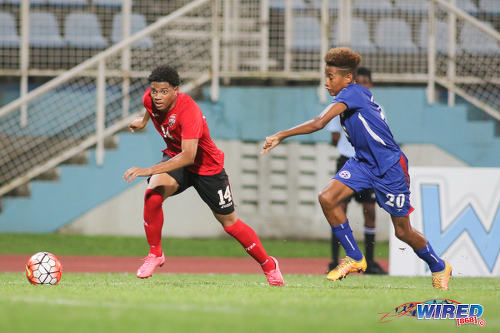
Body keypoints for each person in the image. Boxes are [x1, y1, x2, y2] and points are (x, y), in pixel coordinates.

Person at [261, 47, 452, 290]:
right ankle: (354, 256)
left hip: (389, 167)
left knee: (403, 232)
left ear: (347, 78)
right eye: (326, 76)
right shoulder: (352, 95)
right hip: (362, 162)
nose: (326, 82)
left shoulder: (353, 93)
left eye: (331, 77)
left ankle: (438, 265)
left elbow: (319, 123)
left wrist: (281, 135)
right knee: (327, 197)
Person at [123, 64, 284, 286]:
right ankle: (155, 254)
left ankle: (269, 265)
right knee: (153, 194)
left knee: (230, 224)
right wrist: (142, 122)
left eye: (164, 91)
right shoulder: (149, 100)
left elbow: (189, 156)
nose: (157, 96)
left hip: (206, 167)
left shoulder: (189, 111)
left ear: (176, 90)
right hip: (176, 158)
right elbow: (150, 110)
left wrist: (148, 170)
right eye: (154, 90)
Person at [325, 67, 386, 275]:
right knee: (336, 207)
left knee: (369, 211)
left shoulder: (374, 107)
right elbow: (334, 135)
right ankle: (336, 261)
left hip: (368, 163)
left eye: (365, 81)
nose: (361, 85)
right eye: (357, 82)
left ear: (370, 84)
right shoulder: (341, 105)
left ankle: (369, 261)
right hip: (347, 161)